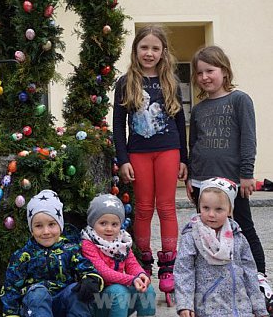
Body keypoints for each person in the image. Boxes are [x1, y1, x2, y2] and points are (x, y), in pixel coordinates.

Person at [186, 45, 272, 312]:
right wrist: (190, 176)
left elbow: (248, 138)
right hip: (201, 181)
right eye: (199, 73)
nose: (204, 77)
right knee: (207, 232)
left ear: (224, 70)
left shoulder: (240, 100)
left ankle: (260, 282)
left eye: (210, 70)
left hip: (232, 183)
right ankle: (217, 282)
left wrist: (247, 173)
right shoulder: (199, 109)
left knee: (244, 229)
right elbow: (194, 144)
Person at [112, 25, 188, 301]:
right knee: (143, 209)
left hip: (168, 150)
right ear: (135, 50)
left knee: (167, 207)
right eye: (144, 47)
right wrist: (123, 159)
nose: (149, 53)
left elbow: (180, 122)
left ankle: (168, 266)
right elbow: (118, 126)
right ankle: (143, 262)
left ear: (163, 52)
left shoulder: (170, 81)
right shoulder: (125, 82)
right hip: (139, 154)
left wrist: (184, 159)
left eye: (155, 48)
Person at [1, 189, 104, 317]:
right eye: (38, 226)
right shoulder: (23, 256)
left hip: (62, 302)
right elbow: (11, 288)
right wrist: (11, 313)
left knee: (76, 292)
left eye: (51, 224)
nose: (46, 231)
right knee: (38, 292)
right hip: (34, 307)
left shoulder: (70, 249)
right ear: (31, 229)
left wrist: (90, 278)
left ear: (60, 226)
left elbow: (85, 265)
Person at [175, 177, 268, 316]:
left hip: (241, 309)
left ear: (230, 210)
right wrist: (185, 304)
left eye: (219, 209)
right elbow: (184, 271)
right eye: (206, 208)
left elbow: (250, 273)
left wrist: (259, 308)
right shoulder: (192, 237)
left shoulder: (238, 237)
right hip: (208, 307)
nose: (211, 214)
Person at [81, 194, 156, 317]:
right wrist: (131, 280)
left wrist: (140, 275)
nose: (109, 229)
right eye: (103, 223)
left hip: (119, 299)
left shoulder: (121, 242)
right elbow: (103, 272)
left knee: (147, 290)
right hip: (97, 300)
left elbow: (132, 264)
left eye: (114, 224)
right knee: (119, 291)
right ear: (93, 222)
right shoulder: (88, 243)